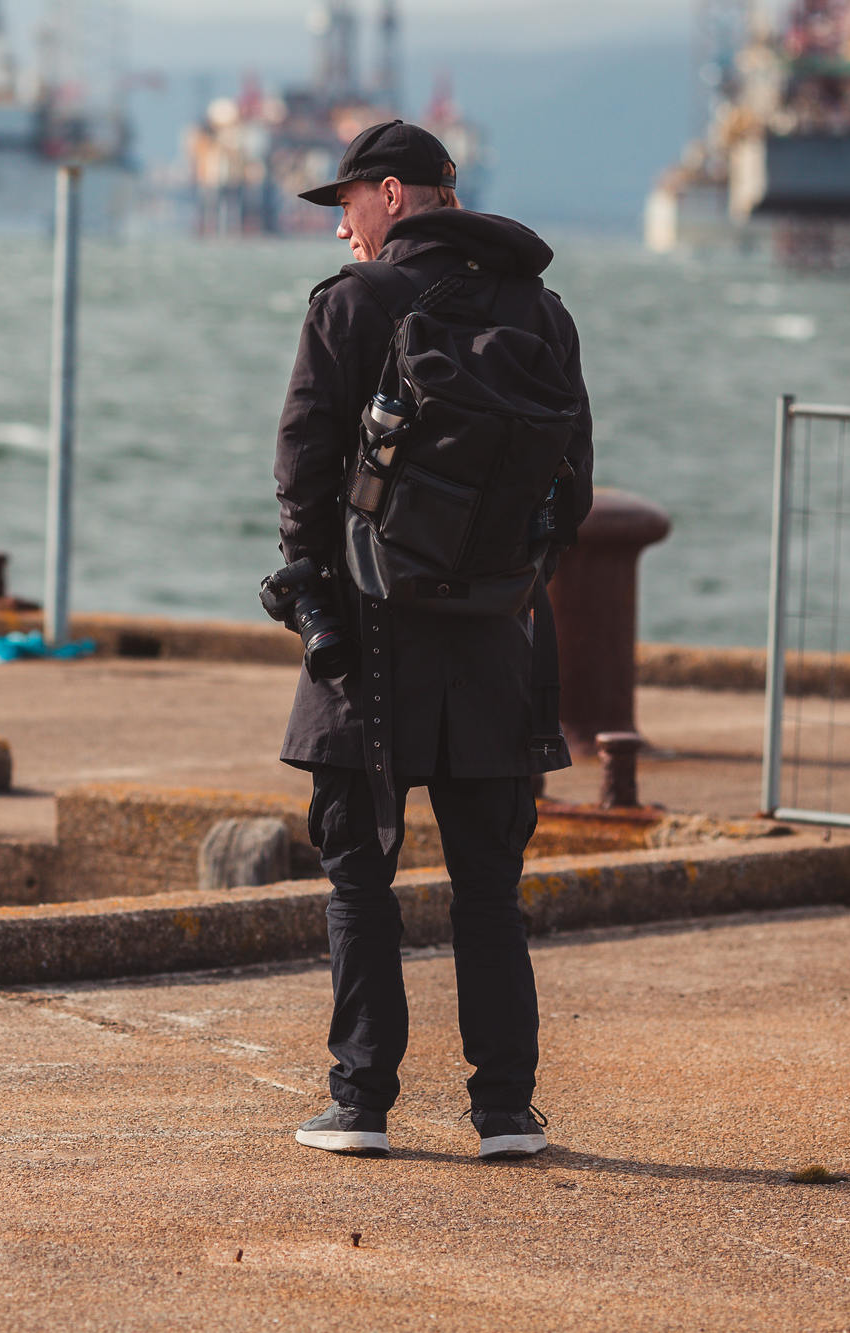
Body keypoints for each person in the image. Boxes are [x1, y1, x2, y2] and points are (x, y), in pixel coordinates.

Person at [271, 120, 593, 1160]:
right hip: (494, 640)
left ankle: (360, 1100)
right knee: (487, 886)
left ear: (395, 196)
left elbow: (301, 465)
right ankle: (504, 1109)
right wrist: (502, 588)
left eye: (347, 206)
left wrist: (309, 585)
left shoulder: (351, 305)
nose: (340, 232)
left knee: (357, 877)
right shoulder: (541, 312)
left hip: (364, 635)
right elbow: (572, 490)